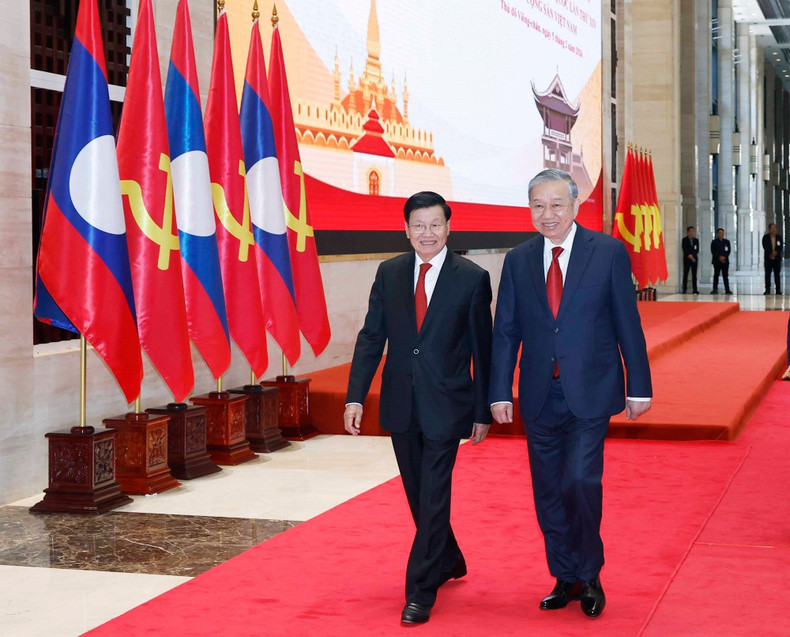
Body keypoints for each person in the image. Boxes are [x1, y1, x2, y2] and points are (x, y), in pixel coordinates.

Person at [488, 169, 652, 619]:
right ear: (529, 210)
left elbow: (627, 324)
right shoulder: (518, 260)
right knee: (548, 490)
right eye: (538, 206)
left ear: (576, 205)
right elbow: (506, 331)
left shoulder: (609, 253)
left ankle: (590, 570)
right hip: (539, 392)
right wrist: (500, 389)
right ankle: (565, 576)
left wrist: (639, 384)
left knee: (580, 481)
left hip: (590, 390)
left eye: (557, 204)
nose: (548, 214)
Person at [344, 191, 493, 626]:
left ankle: (420, 590)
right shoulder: (389, 273)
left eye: (434, 225)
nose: (426, 234)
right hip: (400, 403)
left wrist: (481, 410)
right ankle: (448, 558)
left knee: (433, 494)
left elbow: (482, 351)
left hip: (448, 405)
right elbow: (372, 337)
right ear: (406, 229)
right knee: (417, 494)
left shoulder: (471, 277)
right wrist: (356, 395)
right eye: (418, 225)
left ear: (448, 227)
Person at [762, 223, 782, 295]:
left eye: (775, 228)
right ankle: (767, 289)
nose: (774, 230)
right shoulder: (765, 237)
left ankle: (778, 289)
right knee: (768, 274)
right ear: (769, 229)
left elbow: (780, 247)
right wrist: (771, 253)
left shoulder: (779, 237)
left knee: (777, 274)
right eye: (772, 228)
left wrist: (776, 253)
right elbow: (765, 246)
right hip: (768, 259)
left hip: (777, 259)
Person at [710, 228, 732, 295]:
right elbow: (713, 251)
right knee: (716, 275)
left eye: (722, 233)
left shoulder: (726, 242)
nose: (721, 234)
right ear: (717, 234)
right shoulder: (714, 242)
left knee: (725, 275)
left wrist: (724, 257)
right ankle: (715, 289)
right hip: (717, 261)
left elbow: (728, 251)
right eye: (720, 233)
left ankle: (727, 289)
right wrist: (719, 257)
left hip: (725, 261)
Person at [681, 226, 700, 294]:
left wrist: (693, 257)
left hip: (694, 259)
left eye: (693, 231)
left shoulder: (696, 240)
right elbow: (684, 249)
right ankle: (684, 288)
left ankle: (695, 289)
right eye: (690, 231)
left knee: (694, 275)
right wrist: (690, 256)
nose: (692, 232)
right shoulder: (684, 240)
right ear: (687, 232)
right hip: (687, 259)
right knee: (685, 274)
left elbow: (697, 250)